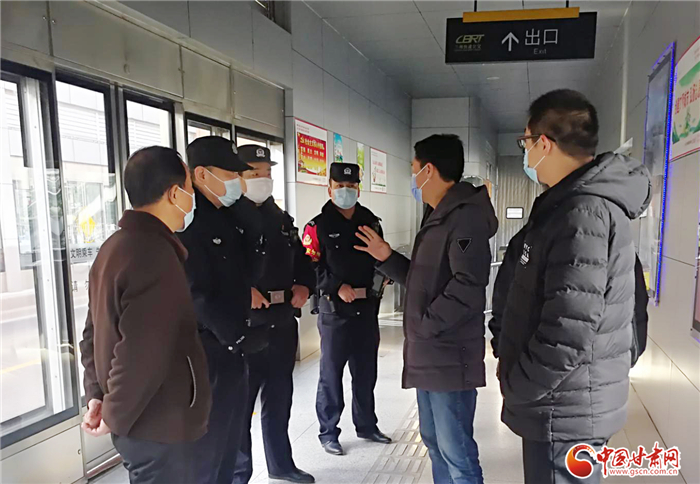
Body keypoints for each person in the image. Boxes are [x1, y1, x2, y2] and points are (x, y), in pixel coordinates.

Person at [490, 89, 651, 484]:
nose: (526, 154)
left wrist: (520, 384)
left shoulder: (582, 213)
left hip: (562, 410)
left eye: (526, 143)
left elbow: (569, 327)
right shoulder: (572, 206)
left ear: (543, 143)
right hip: (568, 401)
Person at [355, 134, 497, 484]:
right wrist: (387, 257)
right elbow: (426, 279)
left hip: (448, 353)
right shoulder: (438, 215)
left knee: (456, 452)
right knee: (434, 442)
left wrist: (424, 325)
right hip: (431, 351)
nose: (413, 178)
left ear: (429, 170)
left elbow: (467, 285)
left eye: (414, 169)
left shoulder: (463, 218)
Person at [80, 146, 211, 484]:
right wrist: (113, 412)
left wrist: (97, 395)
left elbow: (92, 332)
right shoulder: (153, 254)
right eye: (190, 189)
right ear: (174, 194)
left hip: (140, 423)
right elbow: (141, 351)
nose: (192, 200)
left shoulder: (115, 247)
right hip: (160, 423)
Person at [177, 136, 266, 484]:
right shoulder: (189, 222)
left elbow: (248, 274)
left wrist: (252, 223)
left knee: (232, 437)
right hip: (208, 350)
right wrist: (235, 335)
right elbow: (195, 293)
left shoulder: (229, 216)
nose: (237, 182)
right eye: (230, 173)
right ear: (201, 174)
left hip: (232, 346)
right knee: (210, 448)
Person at [232, 145, 315, 484]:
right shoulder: (226, 217)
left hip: (281, 320)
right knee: (241, 406)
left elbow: (303, 259)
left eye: (267, 172)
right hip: (246, 326)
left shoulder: (280, 217)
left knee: (280, 397)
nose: (262, 179)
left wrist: (305, 285)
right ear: (237, 177)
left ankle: (281, 464)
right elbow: (214, 273)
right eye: (254, 173)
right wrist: (243, 291)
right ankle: (239, 473)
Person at [301, 162, 392, 456]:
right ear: (329, 189)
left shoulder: (371, 222)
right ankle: (329, 432)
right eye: (339, 186)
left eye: (351, 187)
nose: (345, 191)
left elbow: (380, 257)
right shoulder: (317, 226)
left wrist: (385, 274)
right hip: (334, 311)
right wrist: (336, 285)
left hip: (366, 309)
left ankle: (367, 426)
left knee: (366, 372)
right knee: (331, 374)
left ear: (358, 189)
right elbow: (308, 266)